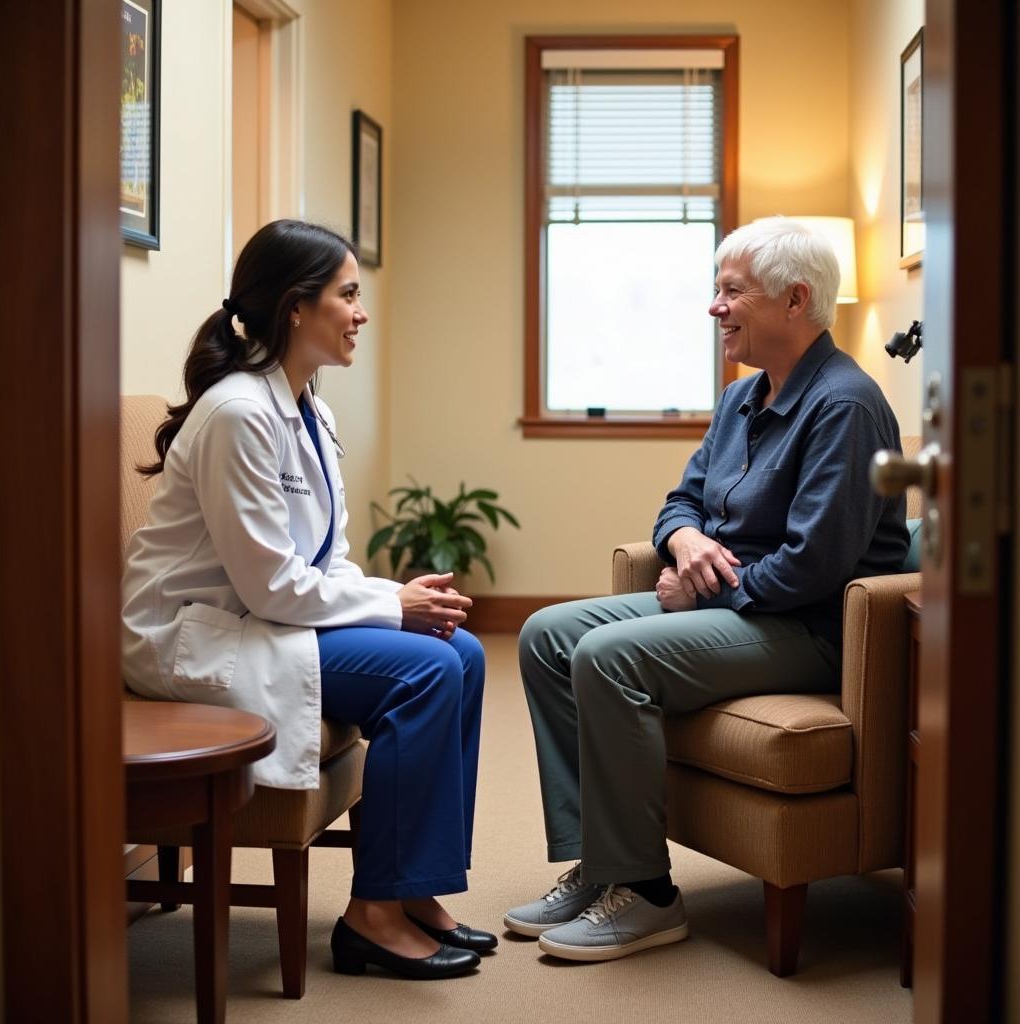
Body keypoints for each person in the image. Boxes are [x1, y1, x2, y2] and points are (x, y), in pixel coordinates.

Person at [504, 216, 909, 962]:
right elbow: (679, 503)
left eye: (731, 291)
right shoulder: (740, 401)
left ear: (794, 301)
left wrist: (704, 592)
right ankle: (601, 864)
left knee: (607, 656)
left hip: (810, 626)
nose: (714, 307)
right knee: (546, 636)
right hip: (742, 604)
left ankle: (648, 894)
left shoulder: (845, 405)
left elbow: (813, 568)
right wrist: (685, 540)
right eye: (715, 289)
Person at [122, 219, 494, 980]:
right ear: (296, 308)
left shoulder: (307, 409)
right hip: (193, 635)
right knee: (425, 671)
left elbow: (325, 561)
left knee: (466, 653)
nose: (361, 312)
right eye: (348, 295)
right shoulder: (238, 413)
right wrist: (396, 610)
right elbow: (268, 583)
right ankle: (372, 916)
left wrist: (397, 593)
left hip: (263, 616)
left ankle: (415, 886)